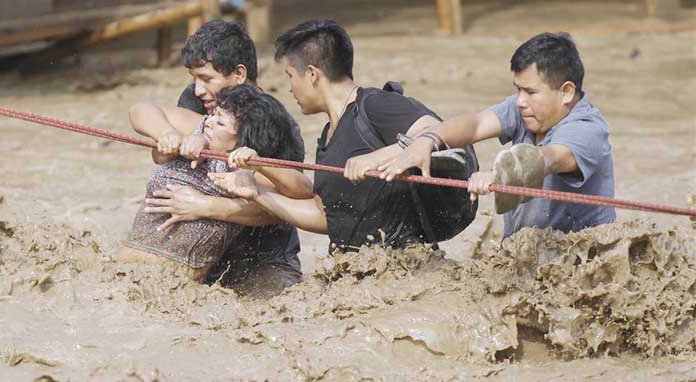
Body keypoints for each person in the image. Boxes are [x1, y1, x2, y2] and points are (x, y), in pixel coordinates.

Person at [214, 19, 475, 252]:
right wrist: (258, 193)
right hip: (357, 274)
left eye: (290, 76)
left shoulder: (376, 105)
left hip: (407, 271)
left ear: (313, 74)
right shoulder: (329, 136)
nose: (289, 88)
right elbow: (325, 216)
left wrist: (378, 157)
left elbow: (434, 131)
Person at [120, 20, 312, 295]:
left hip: (263, 258)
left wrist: (204, 206)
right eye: (193, 78)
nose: (197, 89)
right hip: (205, 258)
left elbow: (287, 207)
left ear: (238, 74)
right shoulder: (202, 100)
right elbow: (153, 131)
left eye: (206, 79)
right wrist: (167, 136)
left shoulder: (276, 125)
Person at [374, 32, 615, 238]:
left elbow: (549, 159)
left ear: (566, 92)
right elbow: (476, 123)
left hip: (579, 263)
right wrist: (427, 140)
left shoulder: (587, 129)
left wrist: (500, 175)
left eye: (530, 91)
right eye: (517, 89)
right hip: (528, 253)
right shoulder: (526, 108)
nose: (520, 101)